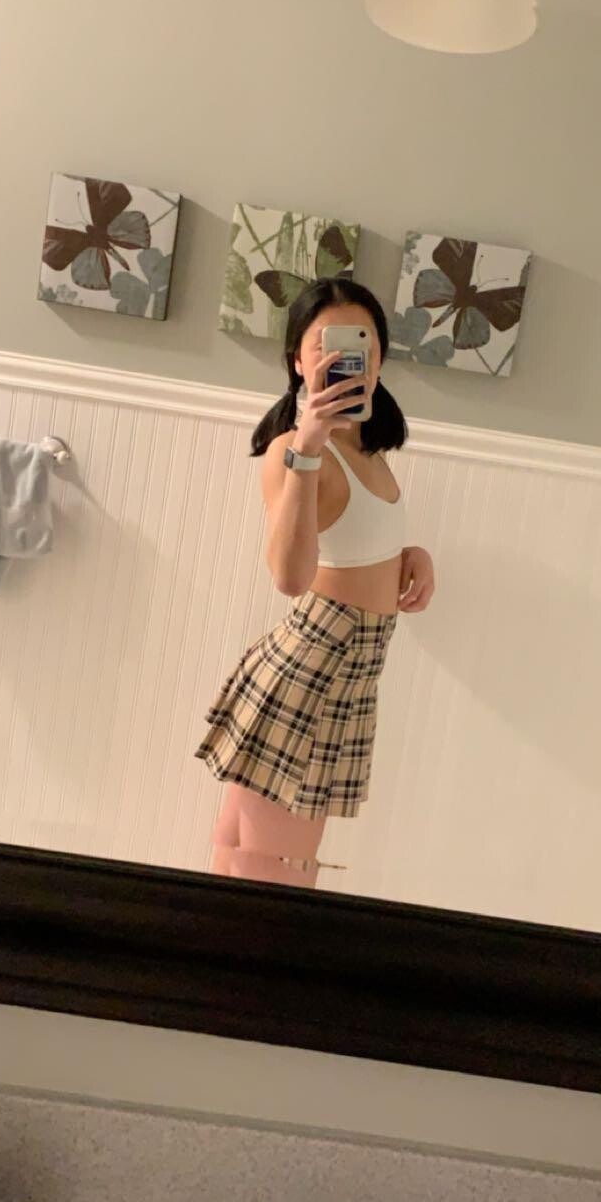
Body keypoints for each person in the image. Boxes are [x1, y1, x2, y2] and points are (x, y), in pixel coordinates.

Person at [195, 276, 435, 887]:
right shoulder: (294, 451)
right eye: (325, 345)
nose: (346, 357)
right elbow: (289, 576)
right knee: (275, 871)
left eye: (362, 343)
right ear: (299, 361)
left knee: (254, 858)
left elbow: (351, 544)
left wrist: (410, 555)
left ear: (378, 357)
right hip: (314, 666)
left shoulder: (368, 449)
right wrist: (306, 446)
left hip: (350, 672)